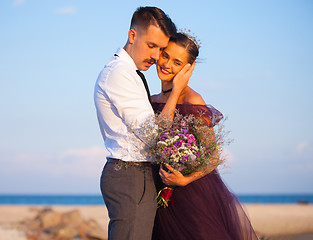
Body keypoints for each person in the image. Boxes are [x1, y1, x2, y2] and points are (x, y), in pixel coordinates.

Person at [94, 6, 195, 240]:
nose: (157, 57)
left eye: (161, 49)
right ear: (132, 35)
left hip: (136, 175)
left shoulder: (130, 73)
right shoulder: (120, 73)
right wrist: (177, 89)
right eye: (152, 46)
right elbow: (154, 134)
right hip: (131, 175)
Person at [151, 32, 259, 240]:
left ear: (188, 68)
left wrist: (185, 180)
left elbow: (212, 156)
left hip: (191, 193)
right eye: (165, 56)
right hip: (158, 191)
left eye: (177, 62)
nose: (167, 64)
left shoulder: (193, 100)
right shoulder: (151, 99)